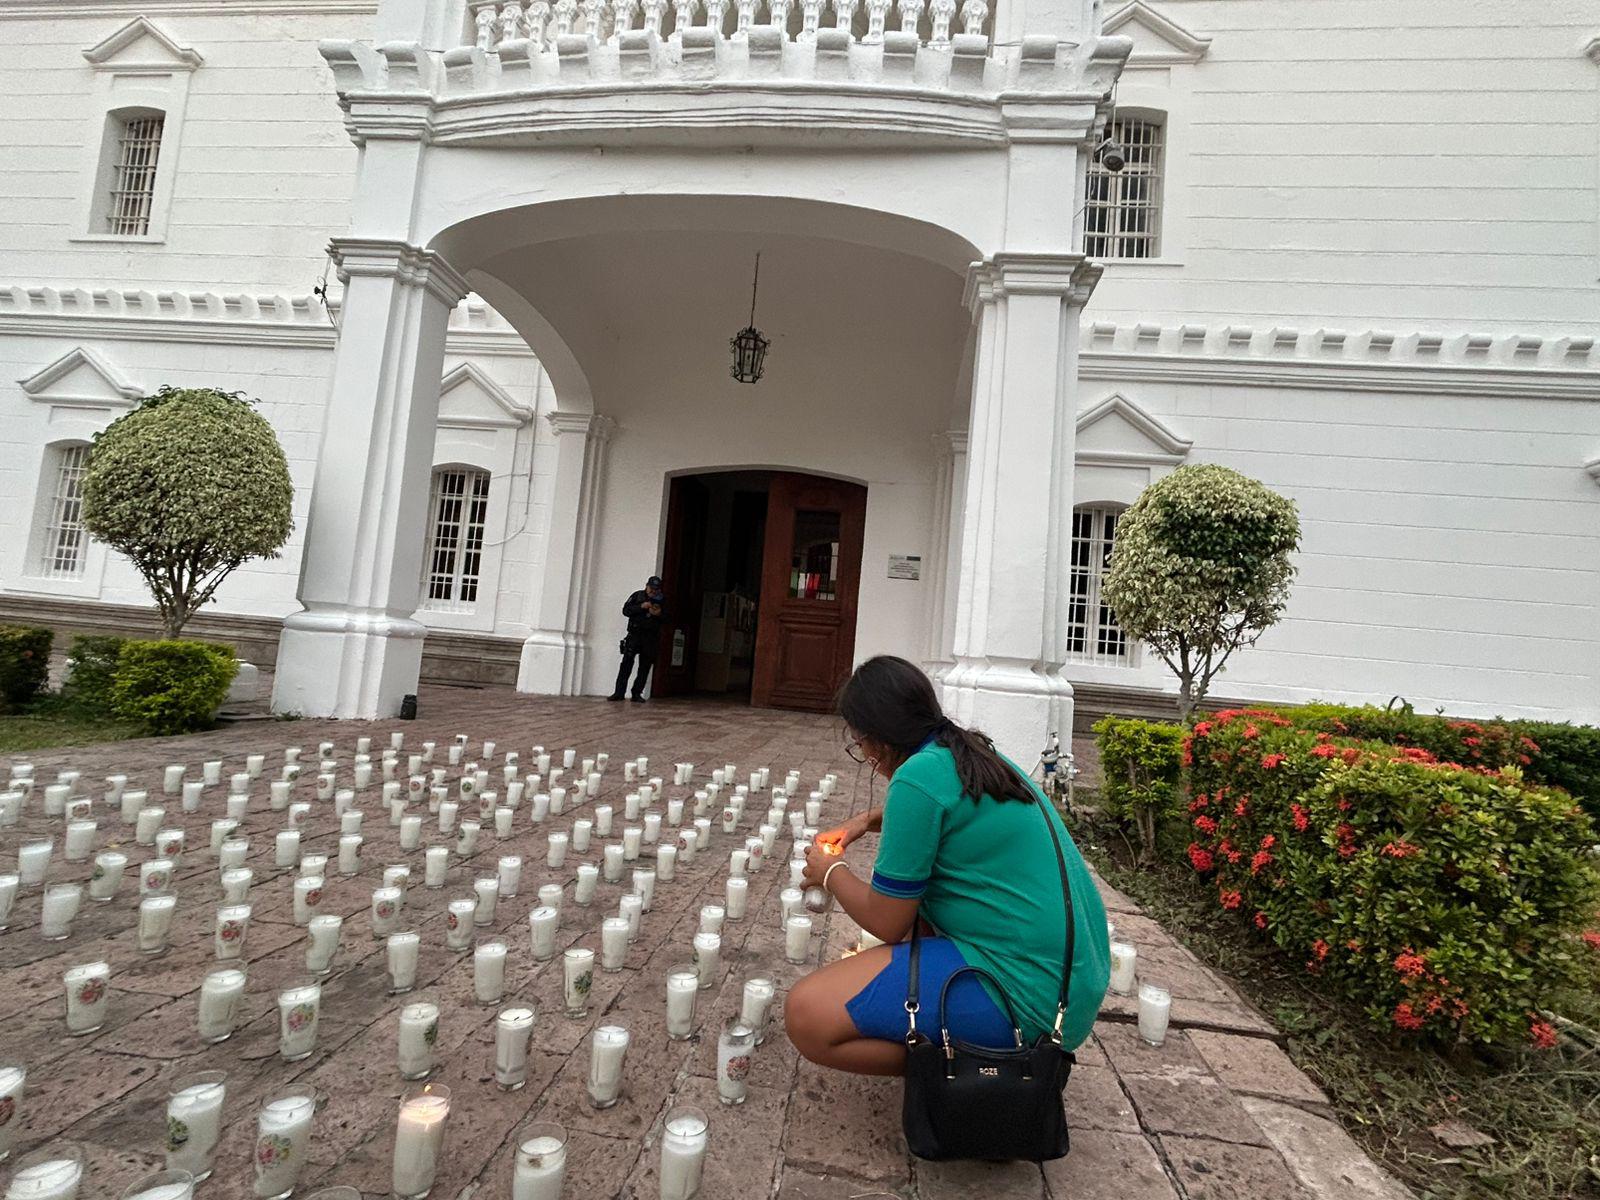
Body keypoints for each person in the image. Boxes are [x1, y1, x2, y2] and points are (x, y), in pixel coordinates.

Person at [785, 655, 1110, 1076]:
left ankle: (968, 1065)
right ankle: (962, 1042)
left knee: (807, 1015)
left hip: (1028, 995)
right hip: (1076, 984)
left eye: (859, 742)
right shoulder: (969, 751)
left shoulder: (916, 779)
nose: (864, 754)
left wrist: (829, 871)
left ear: (877, 738)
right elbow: (951, 807)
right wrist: (866, 820)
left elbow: (886, 920)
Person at [608, 575, 667, 702]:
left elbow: (667, 618)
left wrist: (659, 614)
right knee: (626, 664)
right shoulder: (637, 596)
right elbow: (626, 610)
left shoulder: (662, 600)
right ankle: (619, 692)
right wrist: (641, 607)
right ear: (647, 586)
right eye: (651, 588)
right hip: (635, 635)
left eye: (656, 589)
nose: (653, 591)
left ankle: (636, 693)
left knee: (644, 667)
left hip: (650, 637)